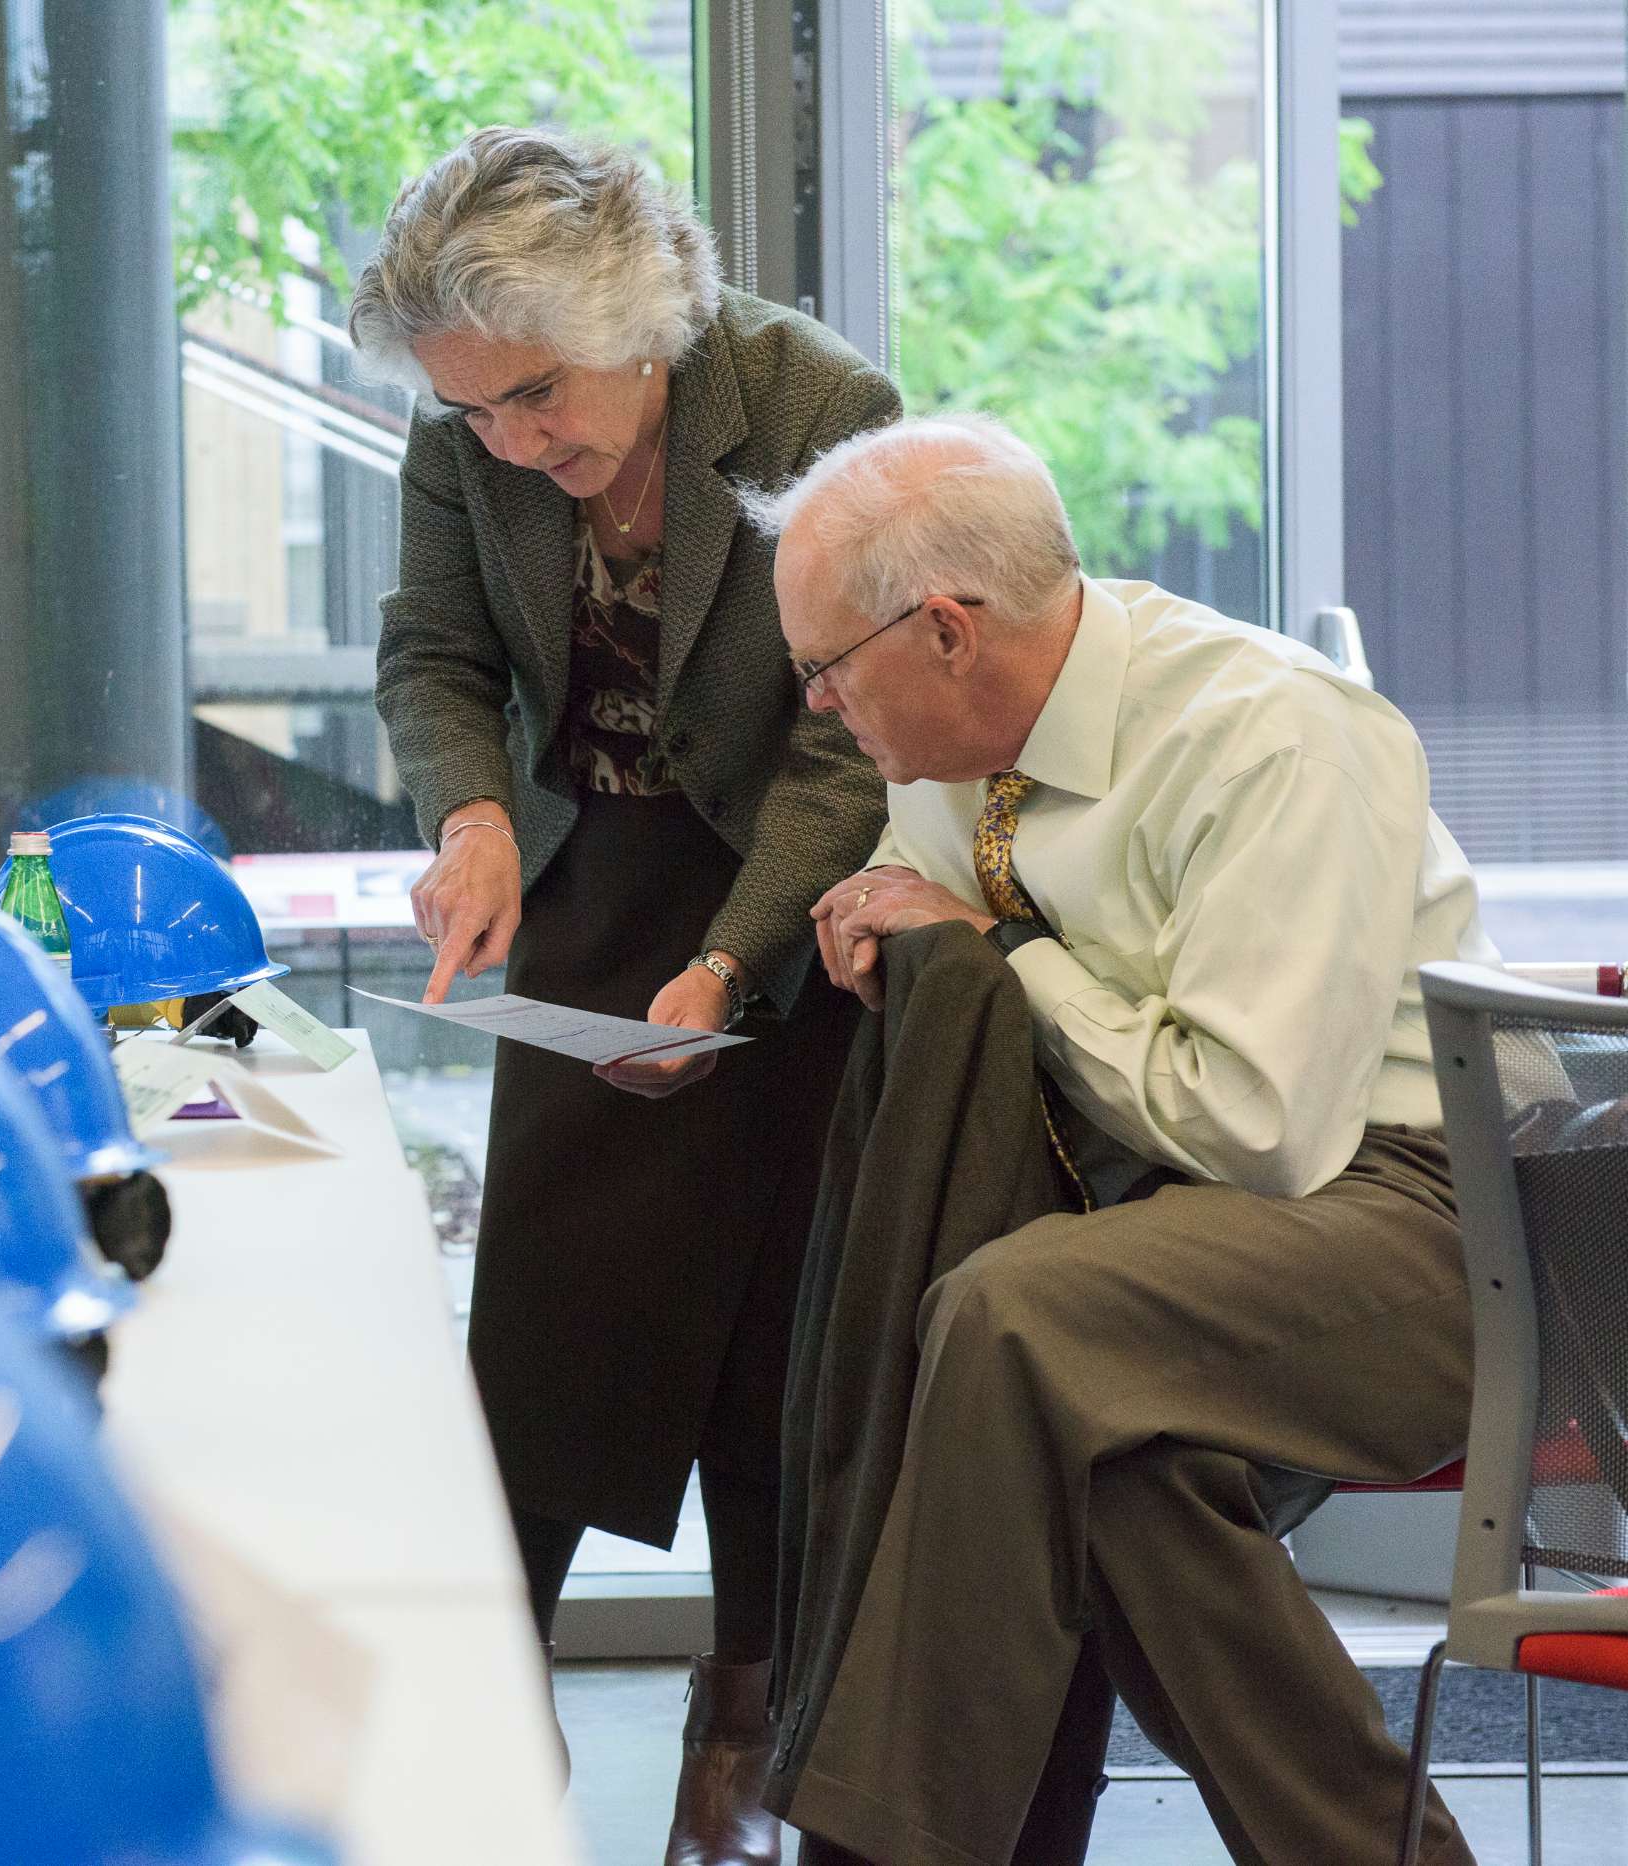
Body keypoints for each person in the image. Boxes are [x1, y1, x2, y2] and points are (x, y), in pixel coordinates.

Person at [763, 413, 1493, 1865]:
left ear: (951, 631)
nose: (824, 711)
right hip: (1167, 1226)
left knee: (1014, 1315)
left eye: (825, 670)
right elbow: (913, 887)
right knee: (1122, 1477)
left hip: (1419, 1228)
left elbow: (1259, 1127)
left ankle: (883, 1847)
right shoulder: (958, 745)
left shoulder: (1271, 735)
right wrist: (877, 918)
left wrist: (997, 953)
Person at [351, 125, 896, 1861]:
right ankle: (485, 1746)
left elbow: (850, 747)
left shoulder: (816, 408)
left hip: (789, 908)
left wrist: (734, 961)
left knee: (766, 1356)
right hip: (586, 899)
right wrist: (476, 816)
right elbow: (435, 653)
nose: (514, 443)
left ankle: (741, 1741)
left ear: (640, 311)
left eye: (535, 400)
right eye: (477, 415)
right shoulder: (471, 431)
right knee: (540, 1345)